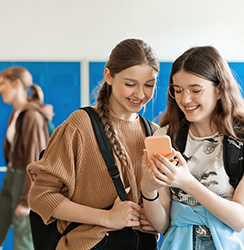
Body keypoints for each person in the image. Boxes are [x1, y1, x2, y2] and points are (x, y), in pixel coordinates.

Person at [27, 38, 160, 250]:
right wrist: (107, 218)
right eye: (130, 84)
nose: (140, 94)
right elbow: (41, 196)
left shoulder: (154, 133)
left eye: (149, 85)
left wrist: (154, 219)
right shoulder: (80, 126)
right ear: (108, 76)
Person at [140, 45, 244, 250]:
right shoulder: (165, 137)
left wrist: (186, 182)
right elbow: (162, 225)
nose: (185, 99)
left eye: (195, 89)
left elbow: (239, 219)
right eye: (178, 90)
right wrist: (148, 188)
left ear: (219, 89)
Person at [0, 66, 54, 250]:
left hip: (26, 182)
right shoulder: (17, 113)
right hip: (11, 178)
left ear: (16, 84)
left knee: (24, 241)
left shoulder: (32, 116)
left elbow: (35, 162)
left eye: (2, 83)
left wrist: (27, 201)